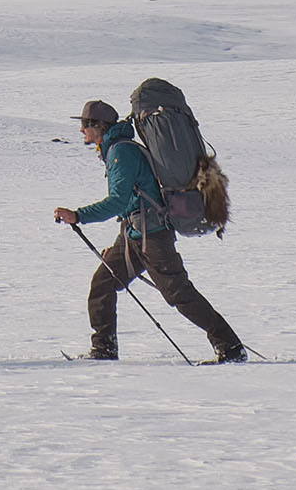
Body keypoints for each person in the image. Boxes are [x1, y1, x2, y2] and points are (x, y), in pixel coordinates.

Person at [54, 98, 247, 362]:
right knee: (103, 283)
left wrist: (78, 215)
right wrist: (120, 240)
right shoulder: (116, 150)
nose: (81, 131)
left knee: (180, 294)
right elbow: (133, 202)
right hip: (135, 235)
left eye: (85, 125)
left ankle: (230, 346)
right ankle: (103, 349)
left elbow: (118, 201)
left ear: (99, 126)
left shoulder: (121, 153)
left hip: (153, 237)